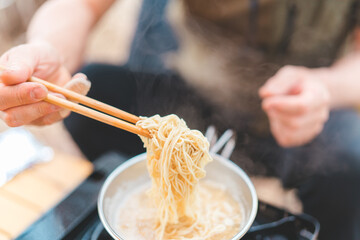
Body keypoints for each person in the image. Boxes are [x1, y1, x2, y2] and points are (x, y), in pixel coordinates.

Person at [0, 0, 360, 239]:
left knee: (350, 162)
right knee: (94, 95)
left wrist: (325, 88)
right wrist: (52, 50)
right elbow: (80, 4)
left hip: (291, 102)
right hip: (184, 85)